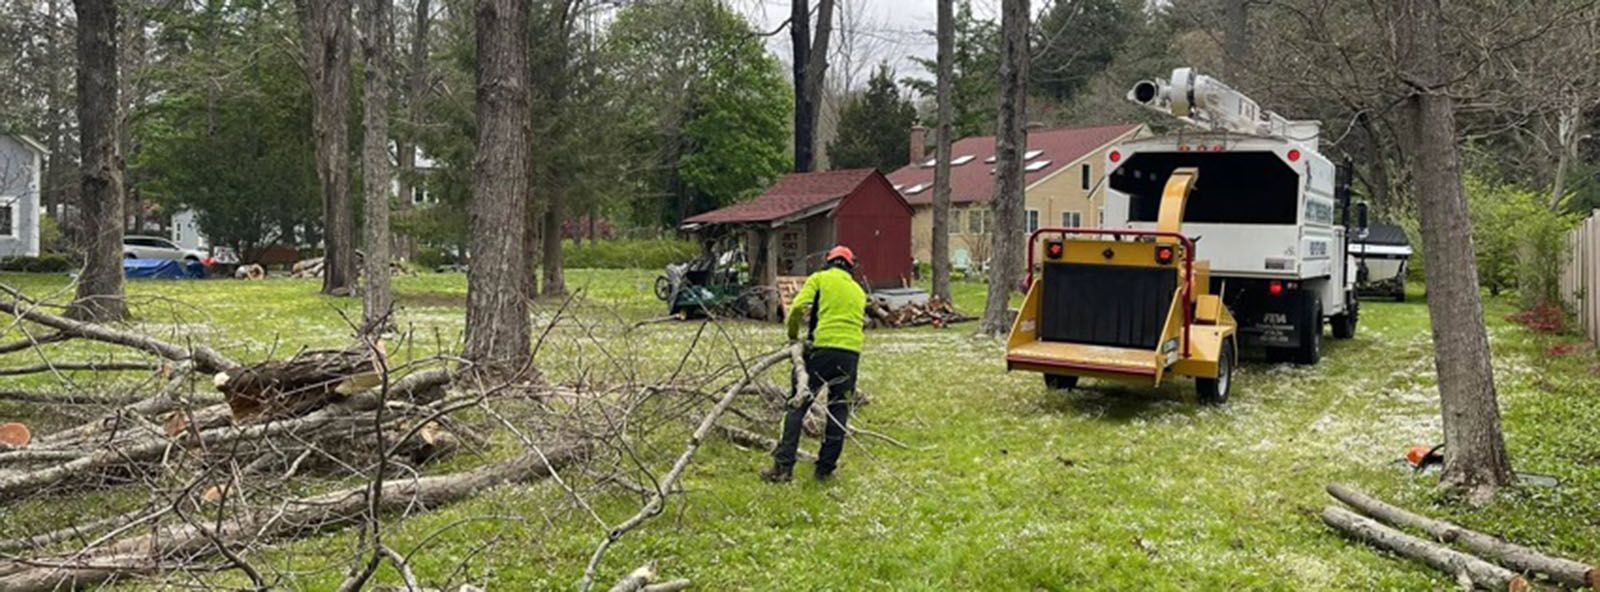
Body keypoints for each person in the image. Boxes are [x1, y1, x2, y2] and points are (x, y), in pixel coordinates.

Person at [761, 245, 867, 483]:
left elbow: (798, 306)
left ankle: (783, 467)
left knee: (798, 405)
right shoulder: (858, 290)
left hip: (821, 349)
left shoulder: (819, 279)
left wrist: (792, 335)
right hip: (850, 354)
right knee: (839, 409)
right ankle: (825, 469)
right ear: (851, 266)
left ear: (828, 261)